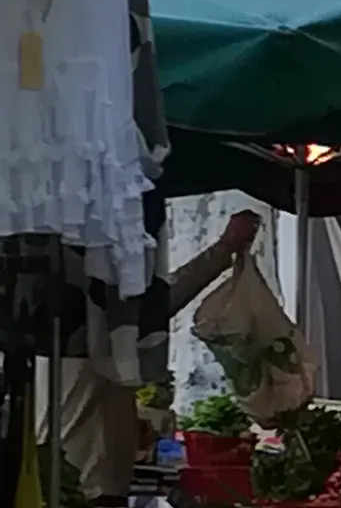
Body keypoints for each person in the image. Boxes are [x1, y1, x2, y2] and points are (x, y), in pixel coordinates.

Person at [38, 210, 261, 506]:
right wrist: (224, 246)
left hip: (68, 477)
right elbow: (161, 302)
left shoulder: (41, 327)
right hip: (89, 483)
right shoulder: (97, 324)